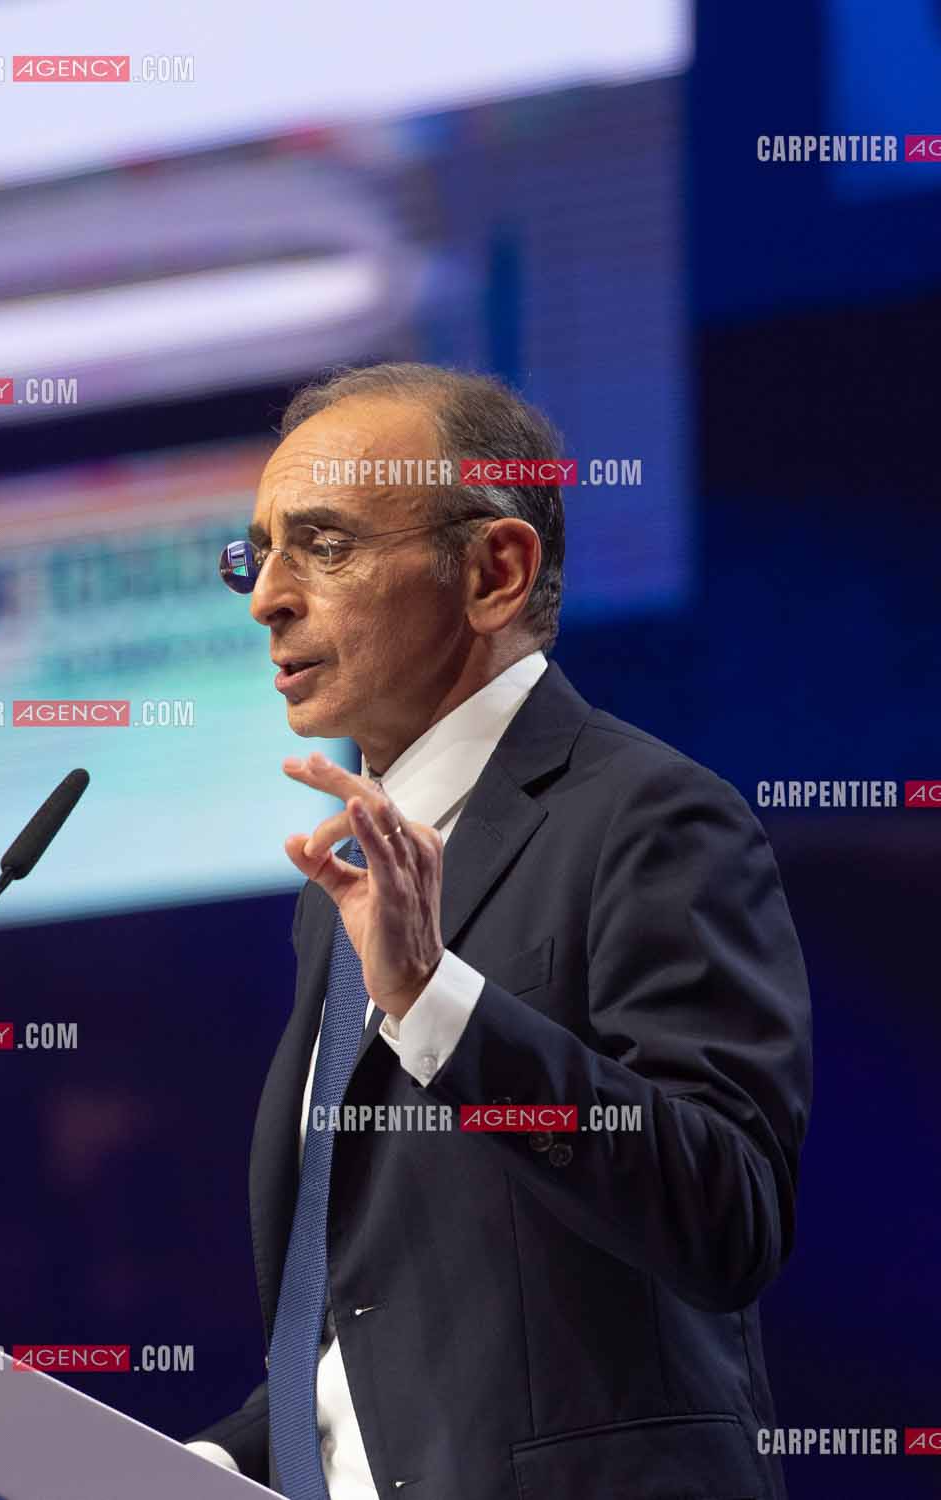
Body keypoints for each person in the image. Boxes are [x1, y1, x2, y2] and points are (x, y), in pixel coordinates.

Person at [186, 364, 812, 1498]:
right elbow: (379, 1317)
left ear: (494, 570)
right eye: (257, 552)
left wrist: (439, 1002)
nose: (265, 597)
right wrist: (218, 1458)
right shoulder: (340, 896)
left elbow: (730, 1214)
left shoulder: (648, 817)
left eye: (321, 546)